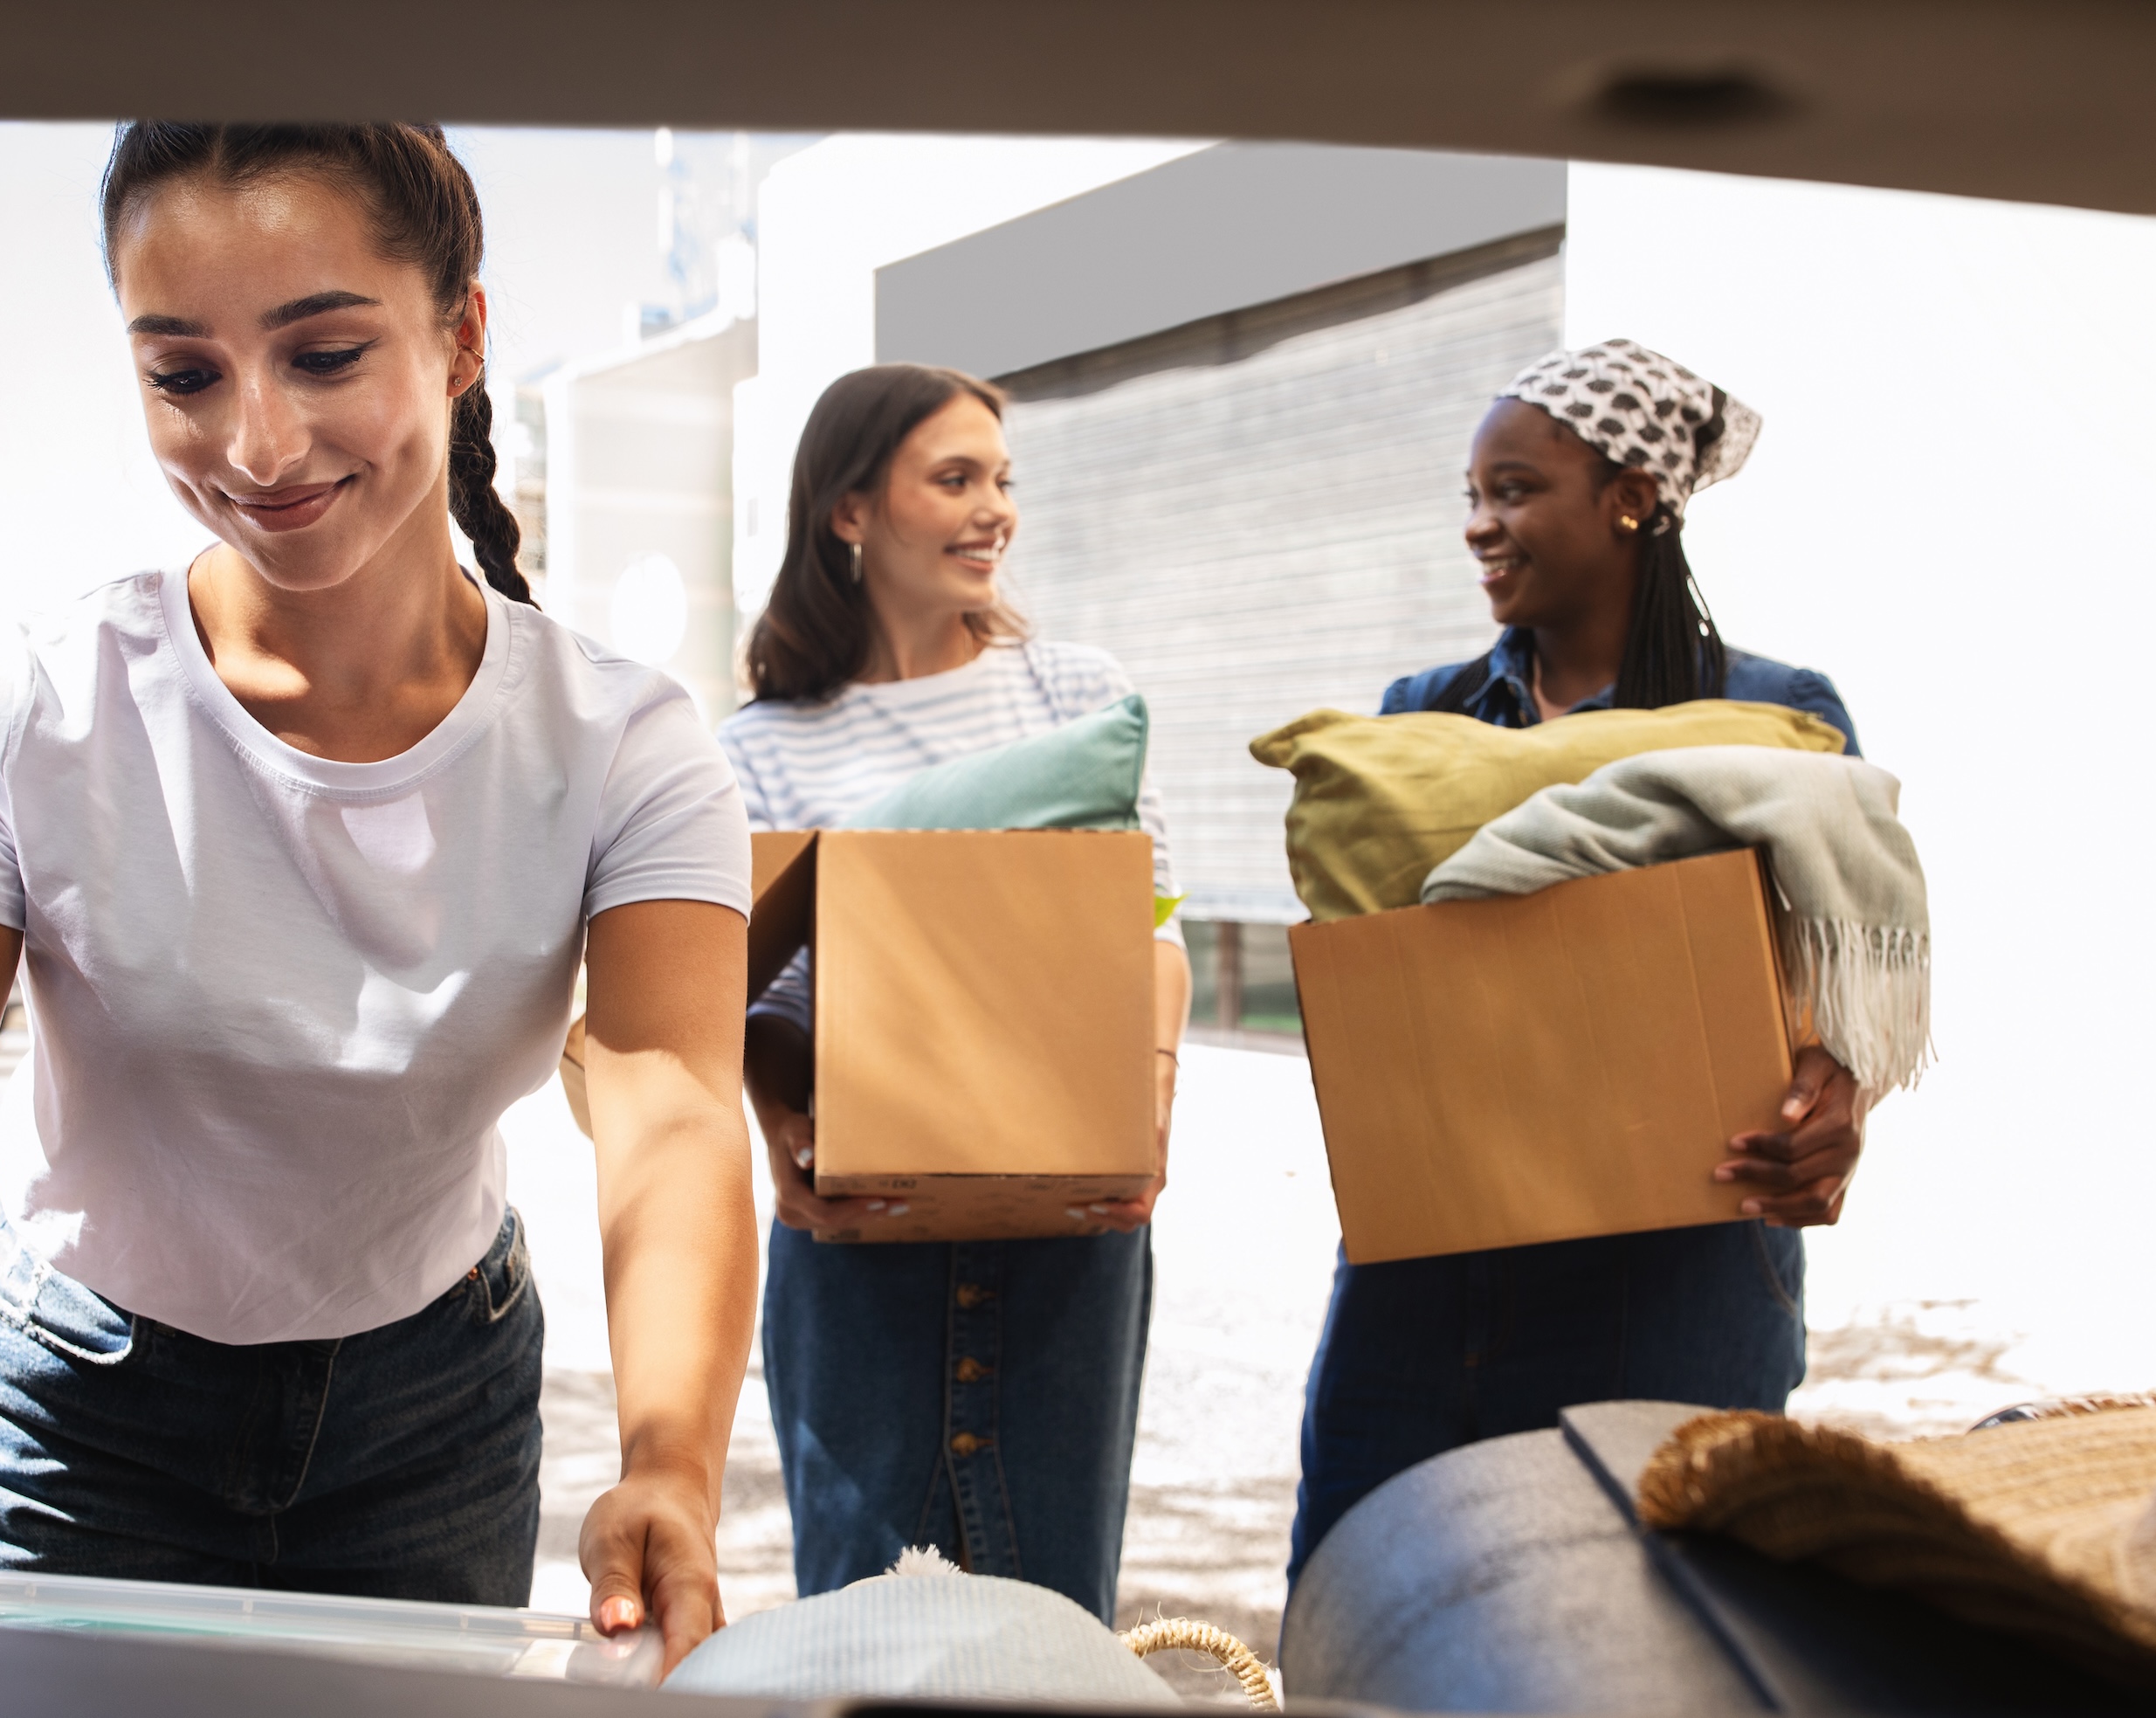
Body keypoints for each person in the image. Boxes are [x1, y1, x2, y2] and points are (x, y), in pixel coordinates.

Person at [0, 123, 756, 1666]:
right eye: (184, 375)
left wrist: (671, 1465)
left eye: (322, 354)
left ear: (463, 337)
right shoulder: (14, 709)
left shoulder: (626, 746)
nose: (254, 444)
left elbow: (674, 1114)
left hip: (429, 1410)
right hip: (62, 1406)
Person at [1288, 339, 1867, 1585]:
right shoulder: (1419, 722)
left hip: (1675, 1286)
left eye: (1512, 490)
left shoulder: (1777, 715)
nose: (1480, 526)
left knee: (1659, 1645)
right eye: (1472, 496)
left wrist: (1838, 1105)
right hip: (1427, 1291)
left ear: (1633, 496)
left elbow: (1841, 985)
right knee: (1377, 1617)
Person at [719, 364, 1192, 1623]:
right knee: (866, 1615)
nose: (995, 512)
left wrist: (1144, 1106)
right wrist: (780, 1131)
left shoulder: (1075, 697)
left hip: (1070, 1235)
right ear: (850, 513)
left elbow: (1152, 927)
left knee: (1054, 1614)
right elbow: (742, 989)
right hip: (858, 1233)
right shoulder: (758, 748)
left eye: (1002, 480)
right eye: (956, 479)